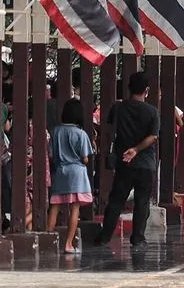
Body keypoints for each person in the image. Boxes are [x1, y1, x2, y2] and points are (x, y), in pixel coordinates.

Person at [93, 72, 159, 246]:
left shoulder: (118, 108)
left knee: (116, 200)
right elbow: (153, 136)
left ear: (128, 88)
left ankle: (105, 236)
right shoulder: (152, 111)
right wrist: (136, 149)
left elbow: (107, 129)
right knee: (142, 201)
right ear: (147, 90)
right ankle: (138, 237)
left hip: (124, 162)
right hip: (145, 163)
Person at [47, 98, 93, 253]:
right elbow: (85, 158)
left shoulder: (55, 132)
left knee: (55, 205)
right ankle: (68, 244)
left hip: (61, 171)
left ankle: (48, 240)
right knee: (75, 208)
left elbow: (51, 155)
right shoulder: (81, 134)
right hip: (77, 173)